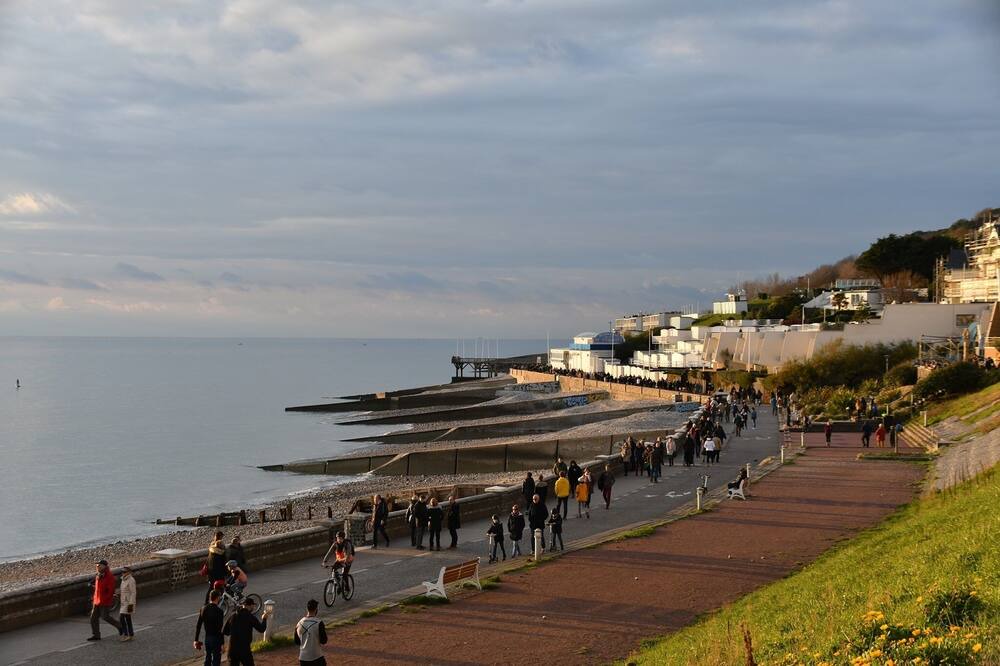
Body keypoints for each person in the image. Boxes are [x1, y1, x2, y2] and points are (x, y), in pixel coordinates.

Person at [223, 596, 271, 666]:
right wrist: (264, 619)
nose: (253, 608)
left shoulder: (233, 616)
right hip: (244, 649)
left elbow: (226, 632)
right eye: (253, 606)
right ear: (250, 605)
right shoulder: (250, 617)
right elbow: (261, 629)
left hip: (232, 649)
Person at [87, 559, 120, 640]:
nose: (97, 567)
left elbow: (111, 590)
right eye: (96, 565)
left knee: (105, 617)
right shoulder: (98, 575)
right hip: (96, 600)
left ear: (104, 566)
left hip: (104, 601)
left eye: (99, 565)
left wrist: (105, 599)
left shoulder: (109, 576)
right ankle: (96, 635)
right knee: (93, 618)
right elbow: (97, 586)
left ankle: (120, 626)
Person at [194, 588, 226, 666]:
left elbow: (198, 625)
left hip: (207, 638)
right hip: (216, 639)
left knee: (207, 659)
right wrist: (222, 643)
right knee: (216, 660)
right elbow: (220, 629)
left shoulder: (203, 609)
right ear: (218, 598)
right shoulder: (219, 611)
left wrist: (196, 640)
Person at [294, 599, 328, 666]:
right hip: (316, 656)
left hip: (303, 658)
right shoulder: (319, 623)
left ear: (307, 609)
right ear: (316, 609)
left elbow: (297, 642)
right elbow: (324, 641)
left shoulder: (299, 623)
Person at [206, 531, 227, 602]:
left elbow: (208, 560)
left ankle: (207, 601)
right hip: (219, 572)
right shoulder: (221, 552)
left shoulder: (211, 548)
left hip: (211, 571)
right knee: (221, 586)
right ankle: (221, 601)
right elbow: (224, 563)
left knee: (211, 587)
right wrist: (226, 572)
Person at [118, 565, 136, 642]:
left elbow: (133, 592)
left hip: (128, 602)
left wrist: (131, 604)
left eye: (124, 572)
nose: (123, 573)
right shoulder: (123, 580)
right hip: (123, 602)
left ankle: (126, 634)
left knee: (122, 617)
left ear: (129, 572)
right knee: (127, 618)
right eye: (122, 572)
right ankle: (130, 634)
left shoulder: (131, 580)